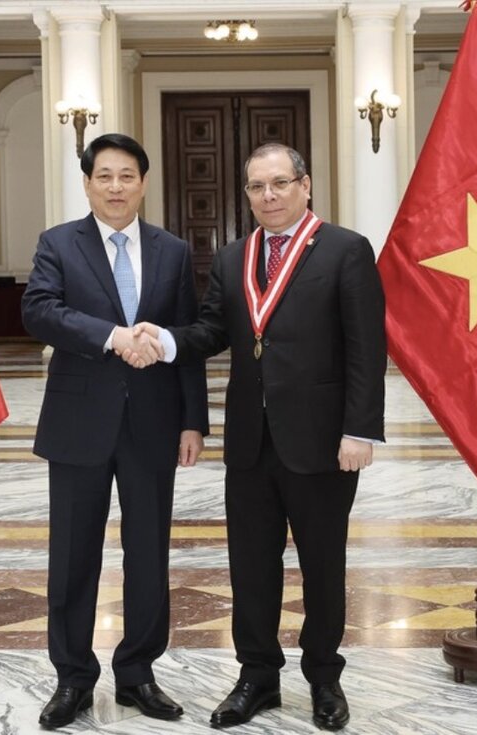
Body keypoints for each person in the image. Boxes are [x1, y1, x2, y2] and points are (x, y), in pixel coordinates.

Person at [126, 143, 386, 730]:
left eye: (279, 184)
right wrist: (164, 342)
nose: (267, 196)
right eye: (256, 187)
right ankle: (257, 677)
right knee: (250, 567)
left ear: (306, 185)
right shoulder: (233, 256)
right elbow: (214, 328)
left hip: (322, 443)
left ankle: (324, 678)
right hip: (249, 441)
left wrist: (360, 429)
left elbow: (367, 348)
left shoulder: (345, 250)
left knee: (323, 565)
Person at [21, 133, 209, 730]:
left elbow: (189, 340)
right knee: (73, 555)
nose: (116, 187)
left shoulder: (173, 251)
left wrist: (192, 420)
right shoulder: (59, 243)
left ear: (144, 183)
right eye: (104, 176)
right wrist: (112, 336)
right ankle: (73, 677)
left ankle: (137, 673)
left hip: (154, 424)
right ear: (87, 183)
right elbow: (38, 310)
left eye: (127, 176)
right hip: (79, 423)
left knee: (149, 554)